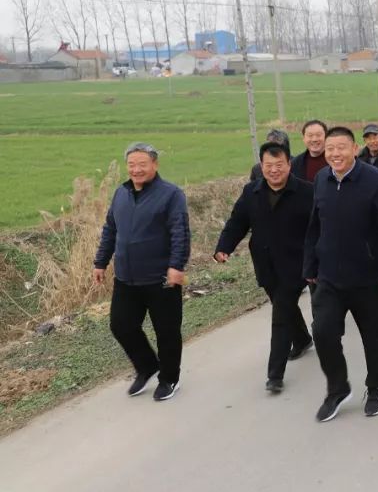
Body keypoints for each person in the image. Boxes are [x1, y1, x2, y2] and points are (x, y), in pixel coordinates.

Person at [303, 126, 378, 423]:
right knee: (322, 331)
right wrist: (310, 266)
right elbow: (314, 226)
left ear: (353, 149)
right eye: (329, 149)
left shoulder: (376, 181)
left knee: (374, 337)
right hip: (329, 277)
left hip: (368, 277)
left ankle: (377, 388)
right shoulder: (321, 179)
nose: (334, 154)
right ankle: (337, 388)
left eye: (341, 148)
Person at [214, 142, 315, 393]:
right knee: (284, 305)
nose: (274, 170)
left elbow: (320, 228)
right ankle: (302, 339)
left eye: (279, 165)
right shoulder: (252, 192)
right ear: (261, 166)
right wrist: (223, 247)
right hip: (265, 264)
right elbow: (237, 222)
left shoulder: (307, 192)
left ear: (289, 165)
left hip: (296, 264)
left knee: (280, 314)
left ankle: (275, 374)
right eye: (268, 166)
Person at [93, 142, 190, 402]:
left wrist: (176, 266)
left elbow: (180, 232)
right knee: (121, 325)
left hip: (161, 278)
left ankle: (170, 378)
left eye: (142, 164)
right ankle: (147, 366)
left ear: (154, 165)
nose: (136, 170)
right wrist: (100, 262)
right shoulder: (120, 193)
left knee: (167, 331)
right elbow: (110, 229)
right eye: (132, 165)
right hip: (126, 277)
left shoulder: (171, 194)